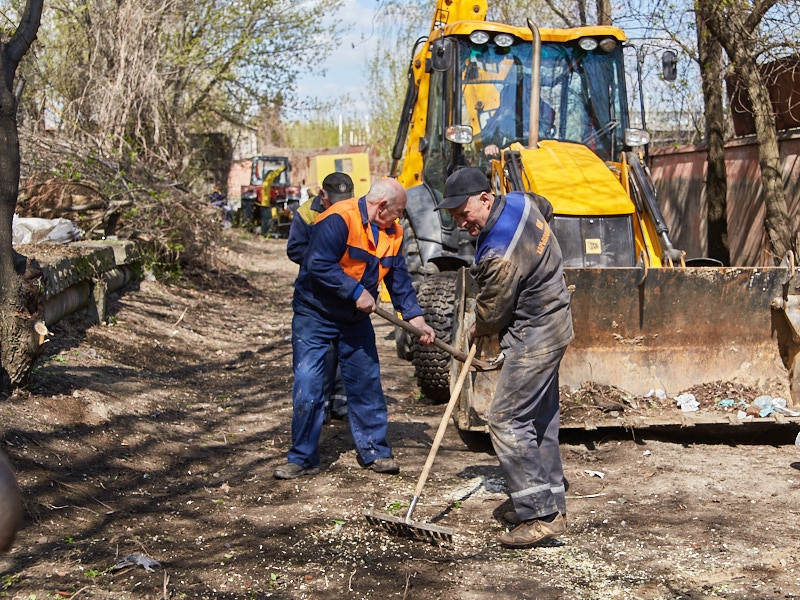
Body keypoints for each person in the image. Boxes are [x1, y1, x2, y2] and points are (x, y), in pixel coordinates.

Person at [436, 167, 573, 548]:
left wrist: (477, 327)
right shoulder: (520, 201)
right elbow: (545, 207)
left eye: (465, 213)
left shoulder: (498, 253)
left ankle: (540, 516)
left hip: (536, 334)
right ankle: (548, 500)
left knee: (506, 420)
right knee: (539, 419)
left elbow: (494, 313)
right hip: (557, 318)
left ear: (485, 198)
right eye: (455, 218)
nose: (462, 224)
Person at [274, 178, 436, 480]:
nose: (400, 218)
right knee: (309, 384)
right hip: (315, 315)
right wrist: (355, 291)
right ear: (383, 205)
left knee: (366, 382)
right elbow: (317, 263)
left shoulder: (393, 232)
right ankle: (302, 457)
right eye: (398, 211)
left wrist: (416, 319)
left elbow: (398, 280)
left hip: (354, 321)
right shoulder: (338, 218)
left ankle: (375, 451)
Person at [286, 172, 356, 422]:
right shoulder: (307, 213)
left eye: (344, 200)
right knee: (322, 351)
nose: (338, 206)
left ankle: (341, 401)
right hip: (316, 291)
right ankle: (320, 404)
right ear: (321, 194)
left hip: (346, 290)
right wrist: (323, 263)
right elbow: (295, 249)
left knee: (345, 348)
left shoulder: (355, 211)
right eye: (333, 200)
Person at [258, 164, 287, 237]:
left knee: (268, 218)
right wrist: (282, 168)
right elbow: (273, 175)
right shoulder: (267, 183)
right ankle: (264, 233)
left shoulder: (266, 184)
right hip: (265, 204)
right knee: (267, 219)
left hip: (267, 204)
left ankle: (266, 232)